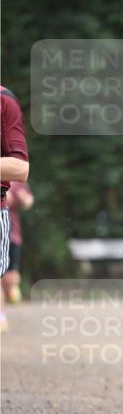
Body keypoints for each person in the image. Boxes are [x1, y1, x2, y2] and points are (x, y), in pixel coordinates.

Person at [0, 86, 29, 291]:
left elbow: (20, 169)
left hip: (10, 227)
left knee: (10, 281)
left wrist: (19, 199)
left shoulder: (4, 100)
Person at [2, 181, 34, 304]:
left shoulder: (16, 177)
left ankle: (11, 289)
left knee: (11, 277)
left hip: (12, 234)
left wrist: (24, 199)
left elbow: (28, 201)